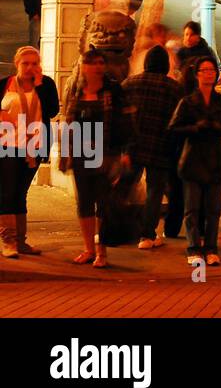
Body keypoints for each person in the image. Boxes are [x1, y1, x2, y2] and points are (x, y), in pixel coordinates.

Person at [59, 48, 134, 267]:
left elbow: (126, 123)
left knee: (103, 203)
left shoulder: (113, 90)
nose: (98, 67)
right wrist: (66, 153)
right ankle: (88, 249)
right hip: (81, 154)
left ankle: (102, 250)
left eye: (101, 62)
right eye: (92, 63)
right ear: (83, 66)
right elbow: (69, 122)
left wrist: (126, 152)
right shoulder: (76, 89)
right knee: (84, 202)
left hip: (105, 154)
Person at [168, 57, 221, 267]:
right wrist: (195, 127)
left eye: (212, 70)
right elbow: (173, 128)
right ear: (197, 74)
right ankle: (193, 248)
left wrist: (219, 128)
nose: (209, 74)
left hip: (214, 159)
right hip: (192, 158)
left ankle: (211, 247)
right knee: (192, 208)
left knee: (213, 209)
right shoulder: (188, 102)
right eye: (205, 70)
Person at [118, 46, 185, 250]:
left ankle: (113, 227)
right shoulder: (174, 89)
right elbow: (179, 120)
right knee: (154, 192)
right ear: (165, 65)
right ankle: (147, 235)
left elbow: (120, 115)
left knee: (124, 187)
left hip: (133, 147)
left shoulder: (129, 84)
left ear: (146, 63)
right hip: (161, 148)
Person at [0, 47, 59, 258]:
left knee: (20, 193)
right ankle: (8, 241)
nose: (30, 67)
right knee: (7, 191)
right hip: (6, 145)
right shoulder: (5, 84)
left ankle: (21, 241)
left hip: (33, 146)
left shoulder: (46, 84)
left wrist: (40, 85)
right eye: (26, 63)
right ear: (17, 64)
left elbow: (52, 111)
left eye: (34, 63)